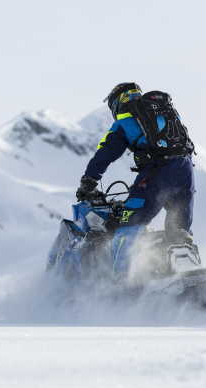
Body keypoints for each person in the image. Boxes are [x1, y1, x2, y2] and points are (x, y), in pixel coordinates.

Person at [75, 82, 196, 274]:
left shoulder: (125, 120)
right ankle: (183, 274)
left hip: (157, 172)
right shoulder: (165, 113)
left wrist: (88, 182)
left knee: (128, 222)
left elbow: (104, 154)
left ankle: (123, 280)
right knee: (178, 231)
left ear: (117, 102)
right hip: (185, 171)